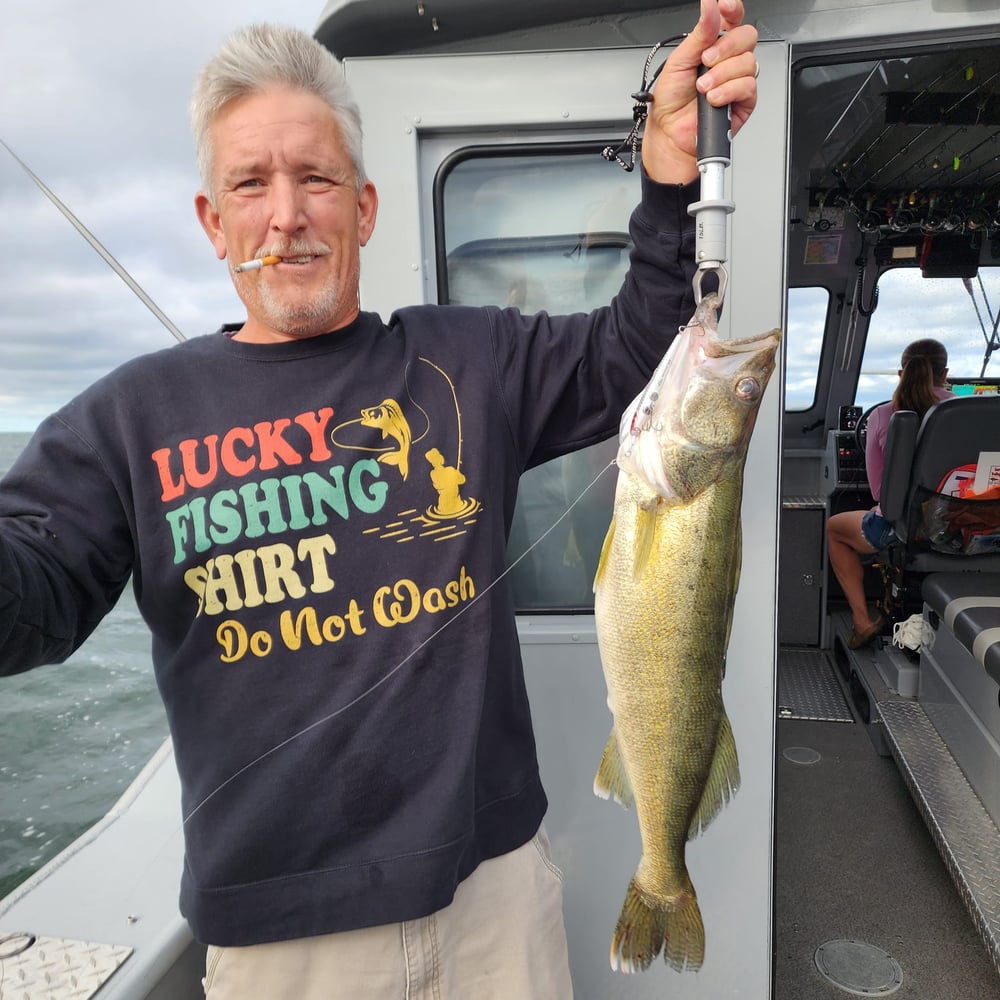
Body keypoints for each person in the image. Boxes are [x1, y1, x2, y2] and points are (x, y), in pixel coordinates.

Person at [0, 4, 758, 996]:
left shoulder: (466, 358)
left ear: (361, 207)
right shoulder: (126, 420)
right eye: (250, 183)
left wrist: (668, 175)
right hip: (284, 941)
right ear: (209, 218)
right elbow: (33, 599)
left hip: (493, 898)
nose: (286, 214)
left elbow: (634, 350)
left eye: (314, 179)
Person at [826, 338, 952, 649]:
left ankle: (862, 620)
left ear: (901, 373)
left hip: (901, 531)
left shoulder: (884, 416)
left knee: (834, 529)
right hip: (964, 527)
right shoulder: (964, 413)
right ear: (945, 372)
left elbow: (880, 491)